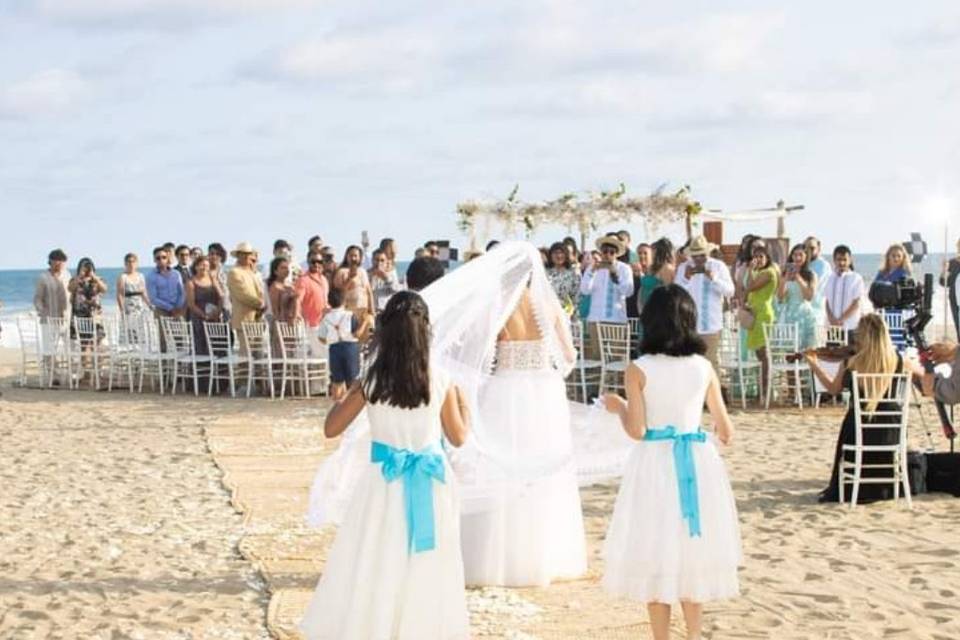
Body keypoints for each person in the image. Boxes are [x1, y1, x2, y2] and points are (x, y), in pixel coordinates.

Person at [299, 291, 471, 640]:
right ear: (427, 331)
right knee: (424, 562)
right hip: (430, 480)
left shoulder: (371, 379)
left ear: (385, 331)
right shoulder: (440, 378)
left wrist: (347, 394)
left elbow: (331, 428)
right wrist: (464, 406)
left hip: (383, 483)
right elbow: (459, 437)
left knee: (378, 558)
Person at [602, 284, 740, 640]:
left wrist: (617, 406)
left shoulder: (638, 368)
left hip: (655, 464)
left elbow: (637, 429)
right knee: (693, 553)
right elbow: (726, 431)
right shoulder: (703, 367)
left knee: (655, 551)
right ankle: (694, 635)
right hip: (697, 461)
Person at [459, 256, 586, 587]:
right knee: (544, 471)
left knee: (503, 467)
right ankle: (545, 555)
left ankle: (501, 557)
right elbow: (569, 357)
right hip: (545, 392)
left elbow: (482, 357)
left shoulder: (498, 305)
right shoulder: (550, 305)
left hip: (506, 388)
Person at [804, 314, 908, 503]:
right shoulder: (898, 361)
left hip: (860, 429)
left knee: (851, 421)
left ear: (863, 337)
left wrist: (814, 365)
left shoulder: (852, 362)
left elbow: (833, 389)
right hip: (890, 431)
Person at [676, 236, 735, 373]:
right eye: (695, 256)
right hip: (689, 325)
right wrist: (686, 278)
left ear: (707, 253)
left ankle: (714, 393)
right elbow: (677, 293)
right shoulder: (684, 267)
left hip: (711, 326)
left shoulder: (718, 266)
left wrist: (714, 279)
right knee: (690, 365)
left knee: (711, 365)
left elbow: (730, 291)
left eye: (701, 255)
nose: (698, 259)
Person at [580, 234, 635, 357]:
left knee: (618, 359)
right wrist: (592, 272)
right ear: (601, 252)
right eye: (605, 251)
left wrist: (615, 275)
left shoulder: (624, 268)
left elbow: (629, 291)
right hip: (596, 319)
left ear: (616, 254)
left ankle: (616, 377)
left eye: (612, 252)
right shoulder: (592, 268)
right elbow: (584, 290)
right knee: (596, 358)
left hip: (617, 320)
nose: (608, 255)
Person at [319, 288, 371, 401]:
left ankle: (337, 406)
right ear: (344, 301)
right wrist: (365, 322)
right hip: (350, 348)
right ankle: (351, 406)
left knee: (337, 381)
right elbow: (357, 334)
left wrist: (331, 340)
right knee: (352, 380)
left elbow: (321, 338)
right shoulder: (349, 315)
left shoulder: (326, 317)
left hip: (334, 348)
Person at [743, 242, 779, 398]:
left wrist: (750, 269)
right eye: (755, 256)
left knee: (764, 353)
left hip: (763, 313)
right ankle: (761, 390)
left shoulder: (769, 272)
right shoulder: (759, 271)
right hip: (755, 312)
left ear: (767, 257)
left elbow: (751, 286)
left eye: (761, 256)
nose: (758, 259)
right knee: (759, 354)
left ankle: (765, 391)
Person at [777, 243, 818, 349]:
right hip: (790, 314)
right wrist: (784, 279)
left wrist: (798, 278)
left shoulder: (811, 275)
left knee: (808, 350)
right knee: (791, 350)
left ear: (806, 257)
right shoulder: (785, 274)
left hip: (805, 314)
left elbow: (809, 297)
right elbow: (780, 297)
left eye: (800, 255)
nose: (797, 258)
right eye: (795, 255)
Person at [227, 242, 266, 353]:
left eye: (248, 253)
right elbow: (242, 295)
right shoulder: (234, 272)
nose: (246, 256)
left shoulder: (252, 272)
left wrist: (262, 305)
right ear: (238, 255)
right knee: (246, 353)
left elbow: (260, 291)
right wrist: (260, 303)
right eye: (243, 254)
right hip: (244, 319)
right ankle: (243, 371)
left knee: (258, 353)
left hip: (257, 318)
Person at [824, 245, 864, 342]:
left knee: (850, 356)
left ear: (850, 260)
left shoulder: (856, 278)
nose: (841, 263)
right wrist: (831, 319)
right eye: (838, 259)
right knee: (832, 355)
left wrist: (841, 319)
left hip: (850, 326)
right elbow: (827, 301)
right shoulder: (830, 278)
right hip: (833, 327)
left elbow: (857, 303)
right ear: (834, 260)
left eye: (844, 259)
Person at [185, 255, 224, 357]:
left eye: (207, 266)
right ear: (196, 267)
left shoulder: (213, 279)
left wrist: (218, 311)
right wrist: (204, 316)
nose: (204, 268)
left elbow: (221, 296)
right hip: (199, 317)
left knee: (217, 345)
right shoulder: (191, 282)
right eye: (202, 265)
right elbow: (191, 304)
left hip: (214, 316)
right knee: (201, 347)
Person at [68, 257, 107, 341]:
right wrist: (79, 277)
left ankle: (94, 354)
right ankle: (86, 354)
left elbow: (104, 289)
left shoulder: (98, 279)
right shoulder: (75, 279)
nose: (87, 270)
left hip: (95, 315)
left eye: (89, 268)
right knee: (83, 342)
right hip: (79, 315)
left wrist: (94, 277)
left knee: (97, 341)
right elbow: (70, 288)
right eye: (84, 268)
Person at [146, 246, 186, 325]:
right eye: (158, 258)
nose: (161, 260)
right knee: (164, 336)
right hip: (161, 310)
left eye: (164, 257)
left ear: (167, 258)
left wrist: (178, 307)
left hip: (177, 309)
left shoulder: (176, 274)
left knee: (182, 335)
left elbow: (181, 292)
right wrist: (170, 308)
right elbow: (153, 298)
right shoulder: (151, 276)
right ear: (154, 260)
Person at [334, 245, 374, 324]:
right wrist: (350, 278)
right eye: (351, 256)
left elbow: (369, 292)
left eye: (355, 256)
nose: (353, 258)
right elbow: (337, 293)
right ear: (346, 257)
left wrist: (372, 310)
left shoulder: (363, 271)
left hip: (364, 313)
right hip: (348, 314)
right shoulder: (341, 272)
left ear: (360, 257)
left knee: (369, 334)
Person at [295, 252, 330, 331]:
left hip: (324, 324)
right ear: (308, 262)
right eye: (313, 262)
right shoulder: (303, 280)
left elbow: (325, 300)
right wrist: (297, 314)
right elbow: (297, 300)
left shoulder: (324, 279)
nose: (316, 264)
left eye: (319, 262)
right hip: (310, 326)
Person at [33, 248, 71, 321]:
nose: (60, 263)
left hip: (65, 319)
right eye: (58, 260)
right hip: (49, 319)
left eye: (62, 261)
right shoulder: (43, 278)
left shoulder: (67, 275)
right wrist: (42, 311)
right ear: (51, 261)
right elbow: (37, 298)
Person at [545, 241, 580, 317]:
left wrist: (572, 313)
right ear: (550, 255)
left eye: (561, 253)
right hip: (547, 313)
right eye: (555, 253)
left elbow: (576, 297)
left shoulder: (573, 274)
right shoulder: (544, 273)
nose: (559, 255)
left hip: (566, 315)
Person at [116, 253, 151, 322]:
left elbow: (144, 292)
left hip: (139, 305)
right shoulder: (123, 277)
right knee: (130, 327)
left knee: (141, 325)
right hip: (128, 305)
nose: (131, 264)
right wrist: (122, 309)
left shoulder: (141, 276)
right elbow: (120, 294)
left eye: (133, 261)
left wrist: (149, 304)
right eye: (129, 262)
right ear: (125, 263)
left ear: (137, 263)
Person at [804, 236, 831, 323]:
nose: (808, 251)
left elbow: (814, 285)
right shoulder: (805, 264)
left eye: (812, 248)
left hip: (816, 309)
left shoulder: (823, 265)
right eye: (806, 248)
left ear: (818, 248)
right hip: (804, 309)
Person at [267, 257, 301, 325]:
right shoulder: (275, 287)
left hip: (294, 322)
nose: (286, 270)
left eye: (287, 268)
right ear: (275, 271)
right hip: (282, 324)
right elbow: (275, 310)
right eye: (283, 268)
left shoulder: (290, 285)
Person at [369, 248, 402, 313]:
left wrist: (387, 279)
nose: (379, 263)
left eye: (382, 260)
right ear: (372, 260)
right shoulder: (365, 274)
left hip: (386, 312)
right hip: (370, 312)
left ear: (386, 262)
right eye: (377, 260)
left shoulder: (391, 275)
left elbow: (397, 291)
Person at [625, 242, 652, 319]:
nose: (642, 256)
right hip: (631, 316)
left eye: (645, 253)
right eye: (639, 253)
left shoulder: (655, 273)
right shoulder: (629, 272)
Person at [941, 238, 960, 341]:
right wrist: (944, 270)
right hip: (955, 300)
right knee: (958, 326)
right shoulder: (952, 263)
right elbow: (944, 282)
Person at [207, 243, 231, 321]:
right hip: (208, 311)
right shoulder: (203, 272)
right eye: (212, 254)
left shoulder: (226, 273)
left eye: (217, 254)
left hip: (226, 311)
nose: (214, 256)